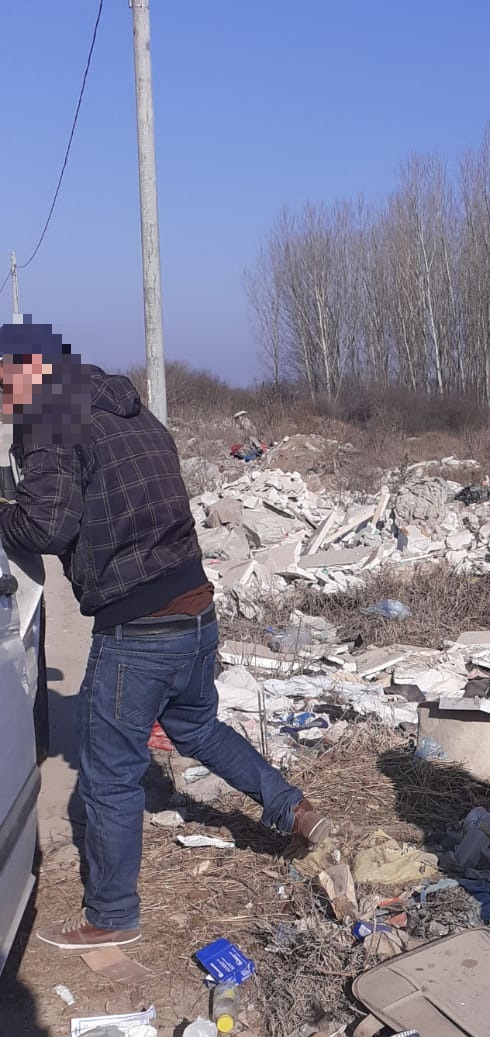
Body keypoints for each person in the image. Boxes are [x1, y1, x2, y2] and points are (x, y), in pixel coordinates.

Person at [0, 319, 331, 950]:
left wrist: (3, 514)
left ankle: (112, 916)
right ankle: (293, 808)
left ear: (28, 370)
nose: (2, 399)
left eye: (0, 383)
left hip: (138, 623)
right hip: (195, 607)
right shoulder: (130, 409)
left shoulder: (47, 417)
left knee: (108, 775)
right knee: (197, 728)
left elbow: (44, 528)